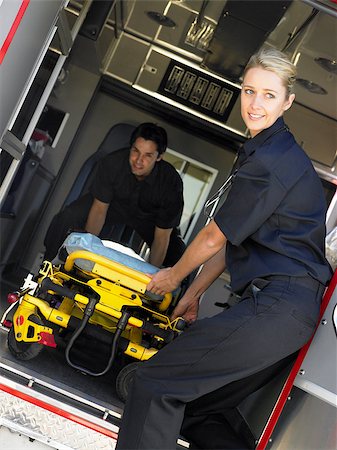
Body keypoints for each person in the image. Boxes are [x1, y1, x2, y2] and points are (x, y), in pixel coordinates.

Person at [115, 47, 332, 449]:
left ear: (288, 101)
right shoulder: (265, 153)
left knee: (154, 383)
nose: (255, 103)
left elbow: (215, 236)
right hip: (284, 313)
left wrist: (173, 276)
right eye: (249, 91)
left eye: (269, 95)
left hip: (277, 307)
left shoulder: (272, 161)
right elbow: (232, 239)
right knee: (200, 412)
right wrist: (194, 295)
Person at [44, 122, 185, 267]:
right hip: (114, 205)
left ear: (159, 157)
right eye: (136, 151)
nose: (138, 160)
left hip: (150, 218)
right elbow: (99, 209)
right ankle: (48, 266)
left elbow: (162, 238)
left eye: (148, 155)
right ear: (130, 148)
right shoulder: (112, 163)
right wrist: (83, 257)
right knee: (68, 216)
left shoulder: (170, 183)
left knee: (178, 254)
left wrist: (150, 281)